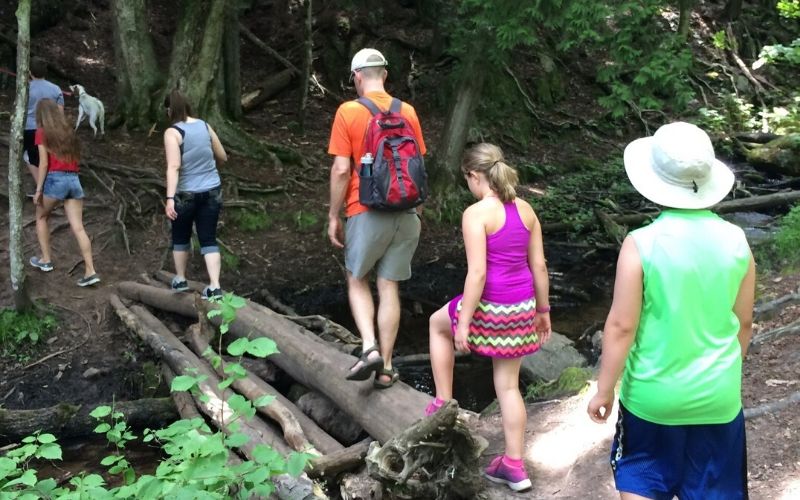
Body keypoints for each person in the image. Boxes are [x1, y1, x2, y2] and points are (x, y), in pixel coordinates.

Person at [587, 122, 755, 500]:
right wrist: (723, 373)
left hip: (652, 400)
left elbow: (621, 326)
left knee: (642, 480)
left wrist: (604, 390)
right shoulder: (737, 241)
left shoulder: (640, 244)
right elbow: (743, 322)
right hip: (718, 400)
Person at [427, 143, 552, 492]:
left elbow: (478, 273)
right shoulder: (526, 209)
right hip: (522, 307)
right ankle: (514, 464)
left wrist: (463, 322)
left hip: (492, 307)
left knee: (438, 325)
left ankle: (442, 402)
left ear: (473, 176)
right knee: (509, 386)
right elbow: (539, 265)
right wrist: (543, 311)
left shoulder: (476, 214)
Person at [327, 48, 426, 388]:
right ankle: (385, 368)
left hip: (366, 209)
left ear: (357, 77)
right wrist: (416, 210)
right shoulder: (407, 111)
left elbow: (342, 170)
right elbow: (417, 167)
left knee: (357, 278)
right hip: (406, 211)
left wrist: (333, 215)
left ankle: (369, 348)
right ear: (384, 74)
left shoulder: (349, 111)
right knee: (389, 286)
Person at [163, 90, 228, 300]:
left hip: (186, 193)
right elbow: (223, 156)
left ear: (169, 109)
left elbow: (173, 166)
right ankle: (215, 286)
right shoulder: (204, 125)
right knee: (208, 237)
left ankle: (181, 279)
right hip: (212, 191)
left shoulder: (172, 133)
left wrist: (170, 198)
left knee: (180, 235)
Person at [30, 99, 100, 287]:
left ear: (41, 115)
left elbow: (44, 163)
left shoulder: (41, 133)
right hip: (74, 180)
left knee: (41, 217)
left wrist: (38, 190)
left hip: (55, 179)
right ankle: (90, 270)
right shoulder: (68, 131)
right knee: (78, 227)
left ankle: (46, 260)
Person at [24, 58, 64, 186]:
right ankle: (48, 187)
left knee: (29, 157)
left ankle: (42, 188)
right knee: (47, 158)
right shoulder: (56, 89)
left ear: (30, 72)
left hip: (30, 129)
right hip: (50, 129)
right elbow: (60, 113)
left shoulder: (25, 89)